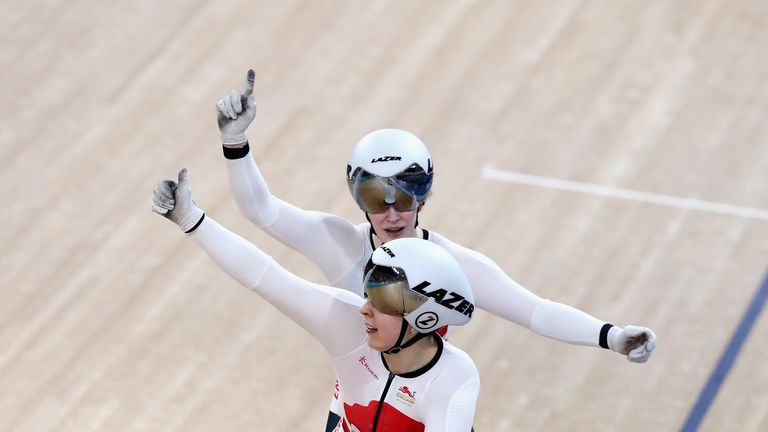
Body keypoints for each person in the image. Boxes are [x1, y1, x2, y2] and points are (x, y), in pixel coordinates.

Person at [216, 70, 658, 430]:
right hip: (359, 401)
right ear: (357, 199)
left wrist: (611, 335)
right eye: (375, 199)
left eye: (404, 198)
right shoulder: (339, 242)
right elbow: (261, 211)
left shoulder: (454, 265)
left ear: (423, 196)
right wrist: (235, 143)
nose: (392, 214)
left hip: (422, 408)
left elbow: (535, 311)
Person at [151, 169, 480, 431]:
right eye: (369, 295)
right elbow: (268, 277)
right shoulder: (349, 325)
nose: (365, 309)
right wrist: (190, 219)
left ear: (423, 319)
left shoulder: (451, 377)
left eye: (382, 304)